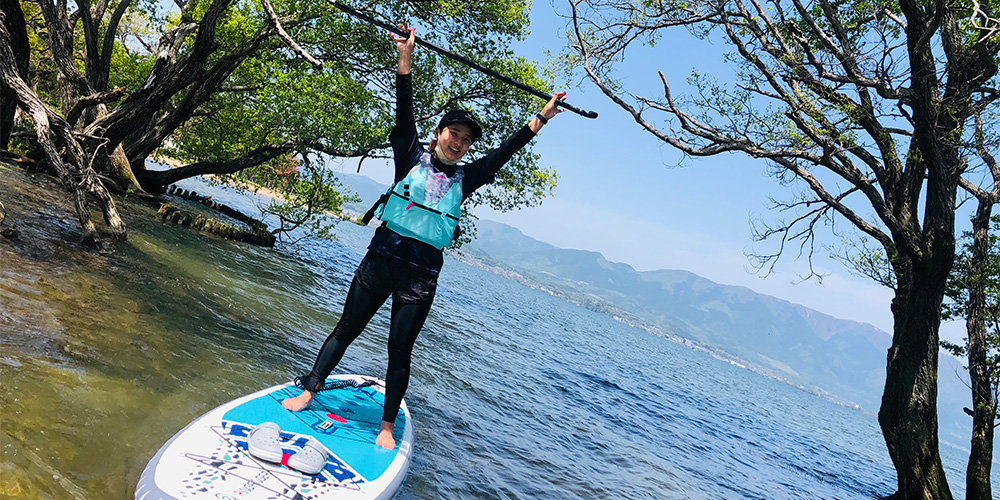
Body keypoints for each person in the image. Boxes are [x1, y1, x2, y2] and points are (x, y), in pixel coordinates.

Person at [281, 24, 565, 449]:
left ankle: (387, 426)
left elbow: (509, 149)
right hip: (380, 260)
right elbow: (403, 109)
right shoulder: (408, 153)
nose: (460, 143)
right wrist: (405, 57)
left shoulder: (469, 178)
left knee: (399, 350)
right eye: (454, 134)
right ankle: (309, 389)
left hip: (420, 278)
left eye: (467, 140)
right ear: (438, 133)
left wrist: (542, 117)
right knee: (347, 328)